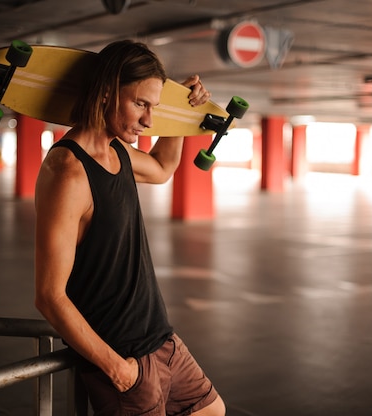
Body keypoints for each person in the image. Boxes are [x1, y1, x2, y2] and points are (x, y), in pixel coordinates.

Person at [34, 40, 226, 416]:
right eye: (141, 104)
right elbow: (48, 296)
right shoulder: (68, 171)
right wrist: (118, 371)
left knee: (211, 410)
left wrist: (180, 112)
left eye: (154, 108)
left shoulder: (116, 150)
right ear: (106, 93)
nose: (149, 121)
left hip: (161, 340)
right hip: (123, 358)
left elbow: (162, 168)